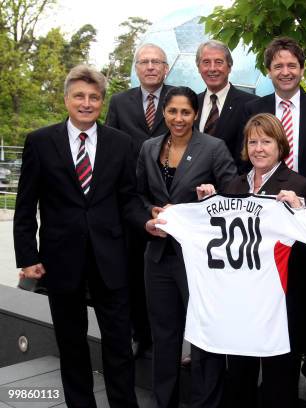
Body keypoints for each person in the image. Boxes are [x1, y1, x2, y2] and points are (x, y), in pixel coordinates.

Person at [13, 65, 149, 408]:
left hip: (111, 260)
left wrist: (147, 221)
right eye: (79, 96)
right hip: (61, 262)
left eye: (94, 97)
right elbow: (26, 205)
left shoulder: (121, 143)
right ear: (66, 99)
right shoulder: (40, 142)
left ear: (102, 101)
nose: (86, 103)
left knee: (119, 344)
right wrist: (28, 257)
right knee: (71, 344)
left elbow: (129, 199)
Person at [194, 112, 306, 408]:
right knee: (239, 377)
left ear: (280, 146)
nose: (259, 149)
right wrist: (208, 204)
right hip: (241, 304)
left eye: (266, 141)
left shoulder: (299, 186)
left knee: (279, 380)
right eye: (253, 142)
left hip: (280, 305)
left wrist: (300, 210)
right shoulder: (234, 187)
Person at [242, 36, 306, 407]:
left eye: (291, 65)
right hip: (264, 225)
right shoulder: (255, 107)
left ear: (301, 68)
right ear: (269, 71)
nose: (285, 71)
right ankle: (265, 372)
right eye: (278, 66)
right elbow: (246, 162)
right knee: (266, 298)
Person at [138, 86, 236, 408]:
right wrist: (148, 215)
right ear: (164, 112)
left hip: (199, 260)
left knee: (204, 339)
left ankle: (205, 403)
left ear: (196, 115)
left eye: (186, 112)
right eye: (172, 111)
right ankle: (164, 402)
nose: (178, 119)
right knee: (164, 338)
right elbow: (137, 196)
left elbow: (233, 195)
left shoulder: (214, 147)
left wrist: (213, 197)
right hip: (158, 257)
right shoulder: (150, 147)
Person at [105, 42, 173, 358]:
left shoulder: (179, 98)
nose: (150, 67)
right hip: (130, 199)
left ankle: (171, 338)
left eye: (156, 62)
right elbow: (106, 148)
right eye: (144, 62)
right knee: (132, 270)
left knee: (170, 273)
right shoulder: (119, 102)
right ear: (136, 67)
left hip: (168, 198)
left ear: (166, 68)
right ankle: (139, 333)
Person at [195, 40, 259, 163]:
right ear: (198, 68)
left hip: (234, 180)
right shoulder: (192, 104)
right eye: (206, 62)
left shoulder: (251, 105)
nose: (212, 68)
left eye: (219, 62)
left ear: (229, 67)